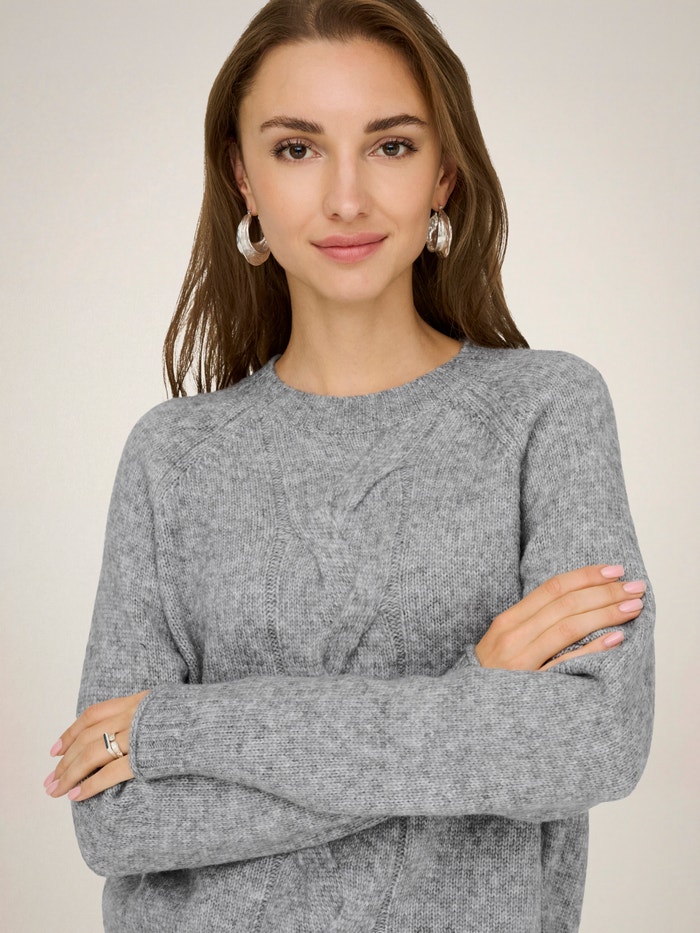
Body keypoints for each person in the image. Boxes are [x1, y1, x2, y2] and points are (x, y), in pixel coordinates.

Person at [44, 1, 654, 930]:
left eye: (390, 146)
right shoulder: (173, 457)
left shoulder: (546, 411)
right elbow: (118, 819)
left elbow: (590, 743)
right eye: (296, 148)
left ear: (444, 172)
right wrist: (473, 702)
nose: (345, 198)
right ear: (242, 176)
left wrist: (180, 730)